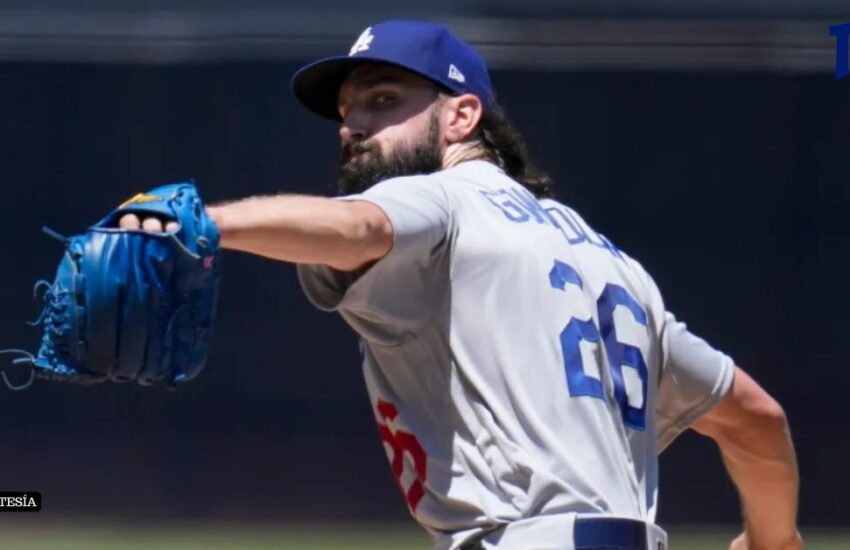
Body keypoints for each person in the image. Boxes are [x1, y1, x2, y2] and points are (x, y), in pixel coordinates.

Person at [120, 20, 801, 550]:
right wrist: (774, 540)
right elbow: (755, 418)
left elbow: (357, 228)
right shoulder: (610, 263)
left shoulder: (445, 200)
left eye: (385, 100)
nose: (355, 125)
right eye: (348, 111)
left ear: (461, 116)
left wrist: (194, 224)